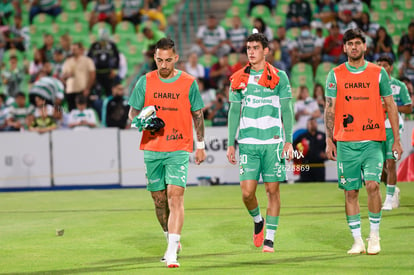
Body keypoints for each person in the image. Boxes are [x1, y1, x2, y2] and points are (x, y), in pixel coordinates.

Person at [128, 38, 206, 268]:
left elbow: (198, 115)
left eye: (168, 60)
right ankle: (168, 236)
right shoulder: (145, 81)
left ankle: (171, 251)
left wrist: (200, 145)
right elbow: (132, 113)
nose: (163, 65)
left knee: (175, 196)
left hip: (179, 147)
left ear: (176, 58)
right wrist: (143, 123)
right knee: (159, 199)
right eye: (159, 60)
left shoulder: (188, 82)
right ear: (155, 58)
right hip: (152, 147)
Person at [325, 28, 403, 255]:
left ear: (365, 46)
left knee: (372, 184)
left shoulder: (378, 73)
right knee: (351, 192)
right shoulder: (335, 74)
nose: (354, 47)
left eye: (358, 43)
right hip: (346, 142)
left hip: (372, 140)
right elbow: (329, 108)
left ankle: (375, 236)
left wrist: (396, 139)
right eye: (350, 43)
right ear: (344, 48)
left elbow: (391, 106)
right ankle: (357, 240)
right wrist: (329, 140)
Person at [226, 33, 294, 253]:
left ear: (266, 50)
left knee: (272, 190)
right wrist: (230, 143)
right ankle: (258, 221)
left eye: (255, 47)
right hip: (247, 143)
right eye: (248, 48)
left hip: (273, 143)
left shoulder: (279, 77)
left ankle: (270, 239)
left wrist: (289, 141)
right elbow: (234, 112)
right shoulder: (238, 78)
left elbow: (287, 110)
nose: (251, 52)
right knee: (247, 193)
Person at [376, 56, 412, 210]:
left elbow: (409, 108)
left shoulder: (399, 86)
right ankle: (393, 189)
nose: (382, 68)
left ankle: (389, 200)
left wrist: (390, 107)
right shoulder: (371, 86)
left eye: (385, 65)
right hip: (375, 128)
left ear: (390, 68)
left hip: (393, 127)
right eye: (379, 65)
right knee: (379, 168)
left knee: (391, 163)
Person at [62, 42, 96, 111]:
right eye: (72, 49)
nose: (73, 51)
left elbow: (92, 76)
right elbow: (63, 76)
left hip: (82, 91)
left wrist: (87, 89)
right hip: (70, 91)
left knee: (84, 111)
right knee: (72, 112)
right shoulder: (68, 61)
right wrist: (67, 76)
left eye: (75, 49)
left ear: (80, 50)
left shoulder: (87, 61)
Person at [293, 117, 327, 182]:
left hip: (319, 165)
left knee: (320, 185)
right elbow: (293, 146)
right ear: (307, 125)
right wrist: (298, 153)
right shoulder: (302, 136)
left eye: (313, 123)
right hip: (305, 165)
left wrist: (326, 155)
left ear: (316, 124)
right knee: (304, 184)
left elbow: (330, 147)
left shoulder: (322, 136)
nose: (312, 125)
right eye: (310, 123)